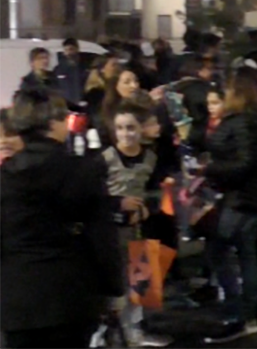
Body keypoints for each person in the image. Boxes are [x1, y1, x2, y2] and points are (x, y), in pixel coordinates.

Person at [0, 89, 123, 349]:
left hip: (17, 297)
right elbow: (102, 236)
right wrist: (114, 287)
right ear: (54, 122)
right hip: (71, 294)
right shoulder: (83, 170)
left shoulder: (6, 175)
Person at [203, 67, 257, 344]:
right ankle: (248, 315)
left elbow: (245, 162)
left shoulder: (244, 122)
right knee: (247, 254)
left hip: (241, 198)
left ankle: (237, 314)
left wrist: (210, 169)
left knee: (219, 251)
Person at [102, 101, 173, 348]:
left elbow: (156, 192)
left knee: (141, 281)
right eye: (120, 128)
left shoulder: (151, 158)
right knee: (117, 282)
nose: (126, 134)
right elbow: (94, 195)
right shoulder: (104, 159)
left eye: (131, 127)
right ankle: (113, 331)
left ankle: (136, 330)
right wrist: (118, 204)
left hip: (142, 225)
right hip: (112, 229)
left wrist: (146, 208)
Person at [54, 38, 87, 107]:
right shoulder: (58, 70)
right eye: (66, 50)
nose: (69, 52)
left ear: (77, 49)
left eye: (71, 49)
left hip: (84, 106)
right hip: (65, 107)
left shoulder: (85, 67)